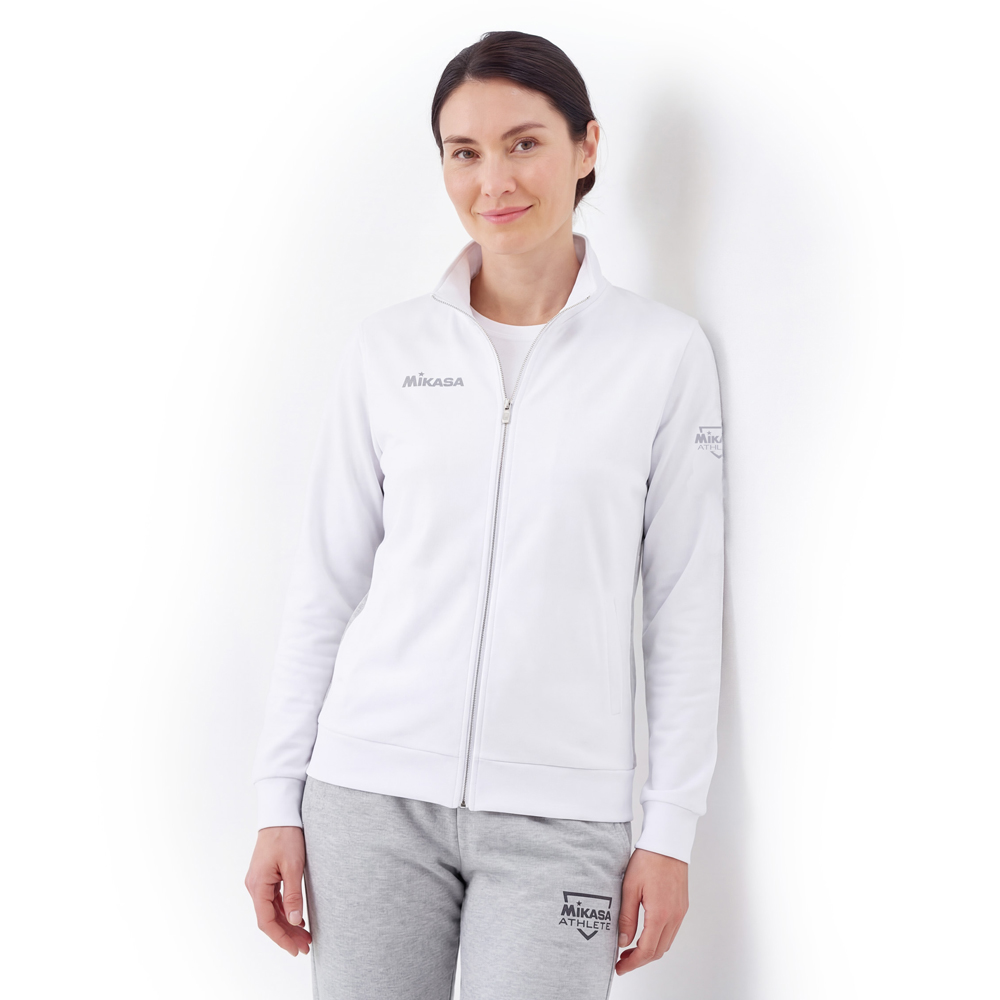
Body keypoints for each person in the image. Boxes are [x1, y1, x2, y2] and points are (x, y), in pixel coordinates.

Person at [245, 29, 725, 1000]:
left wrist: (670, 829)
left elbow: (682, 603)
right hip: (368, 799)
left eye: (523, 143)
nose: (492, 180)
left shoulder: (662, 356)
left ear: (586, 147)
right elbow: (325, 585)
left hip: (564, 819)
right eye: (463, 151)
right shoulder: (388, 350)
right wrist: (277, 801)